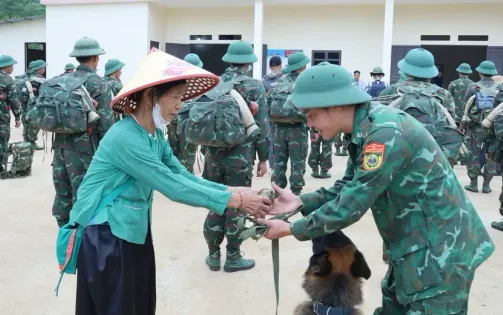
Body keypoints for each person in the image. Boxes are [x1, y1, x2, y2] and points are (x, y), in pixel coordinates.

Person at [260, 62, 495, 315]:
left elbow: (354, 204)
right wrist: (301, 202)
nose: (309, 123)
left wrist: (291, 229)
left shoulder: (384, 133)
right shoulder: (365, 129)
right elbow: (350, 186)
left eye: (311, 114)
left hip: (440, 255)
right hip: (412, 248)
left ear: (336, 105)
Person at [68, 48, 272, 314]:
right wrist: (236, 200)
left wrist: (231, 189)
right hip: (107, 238)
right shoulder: (125, 137)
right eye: (175, 97)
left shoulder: (153, 136)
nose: (180, 105)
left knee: (137, 303)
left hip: (131, 232)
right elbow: (171, 185)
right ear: (151, 96)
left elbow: (182, 176)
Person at [202, 40, 269, 272]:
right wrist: (263, 157)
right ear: (248, 64)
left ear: (228, 61)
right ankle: (232, 257)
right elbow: (261, 125)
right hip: (240, 157)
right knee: (238, 205)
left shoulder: (213, 83)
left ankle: (212, 255)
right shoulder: (254, 86)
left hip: (212, 155)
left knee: (214, 203)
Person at [52, 37, 116, 227]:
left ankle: (64, 235)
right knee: (85, 194)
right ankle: (79, 241)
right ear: (96, 58)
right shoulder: (99, 84)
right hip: (86, 149)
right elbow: (106, 124)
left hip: (60, 147)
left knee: (63, 192)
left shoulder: (62, 80)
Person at [269, 52, 310, 195]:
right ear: (302, 66)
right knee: (297, 162)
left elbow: (269, 104)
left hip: (279, 129)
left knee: (279, 162)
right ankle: (295, 193)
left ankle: (277, 192)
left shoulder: (279, 81)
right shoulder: (304, 83)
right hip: (298, 129)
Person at [462, 60, 503, 194]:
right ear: (493, 74)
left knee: (473, 154)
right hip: (494, 127)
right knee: (491, 154)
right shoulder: (500, 88)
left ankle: (473, 184)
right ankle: (486, 185)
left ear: (480, 73)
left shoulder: (473, 88)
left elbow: (466, 109)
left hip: (476, 127)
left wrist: (464, 125)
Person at [166, 53, 201, 173]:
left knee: (173, 155)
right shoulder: (198, 83)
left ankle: (175, 183)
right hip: (189, 124)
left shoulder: (174, 80)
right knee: (187, 159)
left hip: (173, 120)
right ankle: (186, 184)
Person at [0, 55, 22, 173]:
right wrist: (18, 116)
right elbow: (13, 100)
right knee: (2, 140)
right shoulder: (7, 79)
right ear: (6, 67)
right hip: (1, 116)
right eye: (12, 65)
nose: (13, 68)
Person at [19, 60, 46, 150]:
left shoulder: (24, 77)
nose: (44, 69)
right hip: (34, 104)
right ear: (39, 69)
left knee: (26, 122)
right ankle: (31, 142)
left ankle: (26, 141)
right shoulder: (38, 79)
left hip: (24, 104)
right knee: (34, 124)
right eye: (43, 67)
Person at [263, 55, 284, 170]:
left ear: (270, 66)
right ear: (281, 65)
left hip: (270, 115)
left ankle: (273, 166)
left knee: (271, 141)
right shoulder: (285, 79)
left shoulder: (264, 80)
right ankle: (281, 165)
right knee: (282, 142)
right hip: (284, 115)